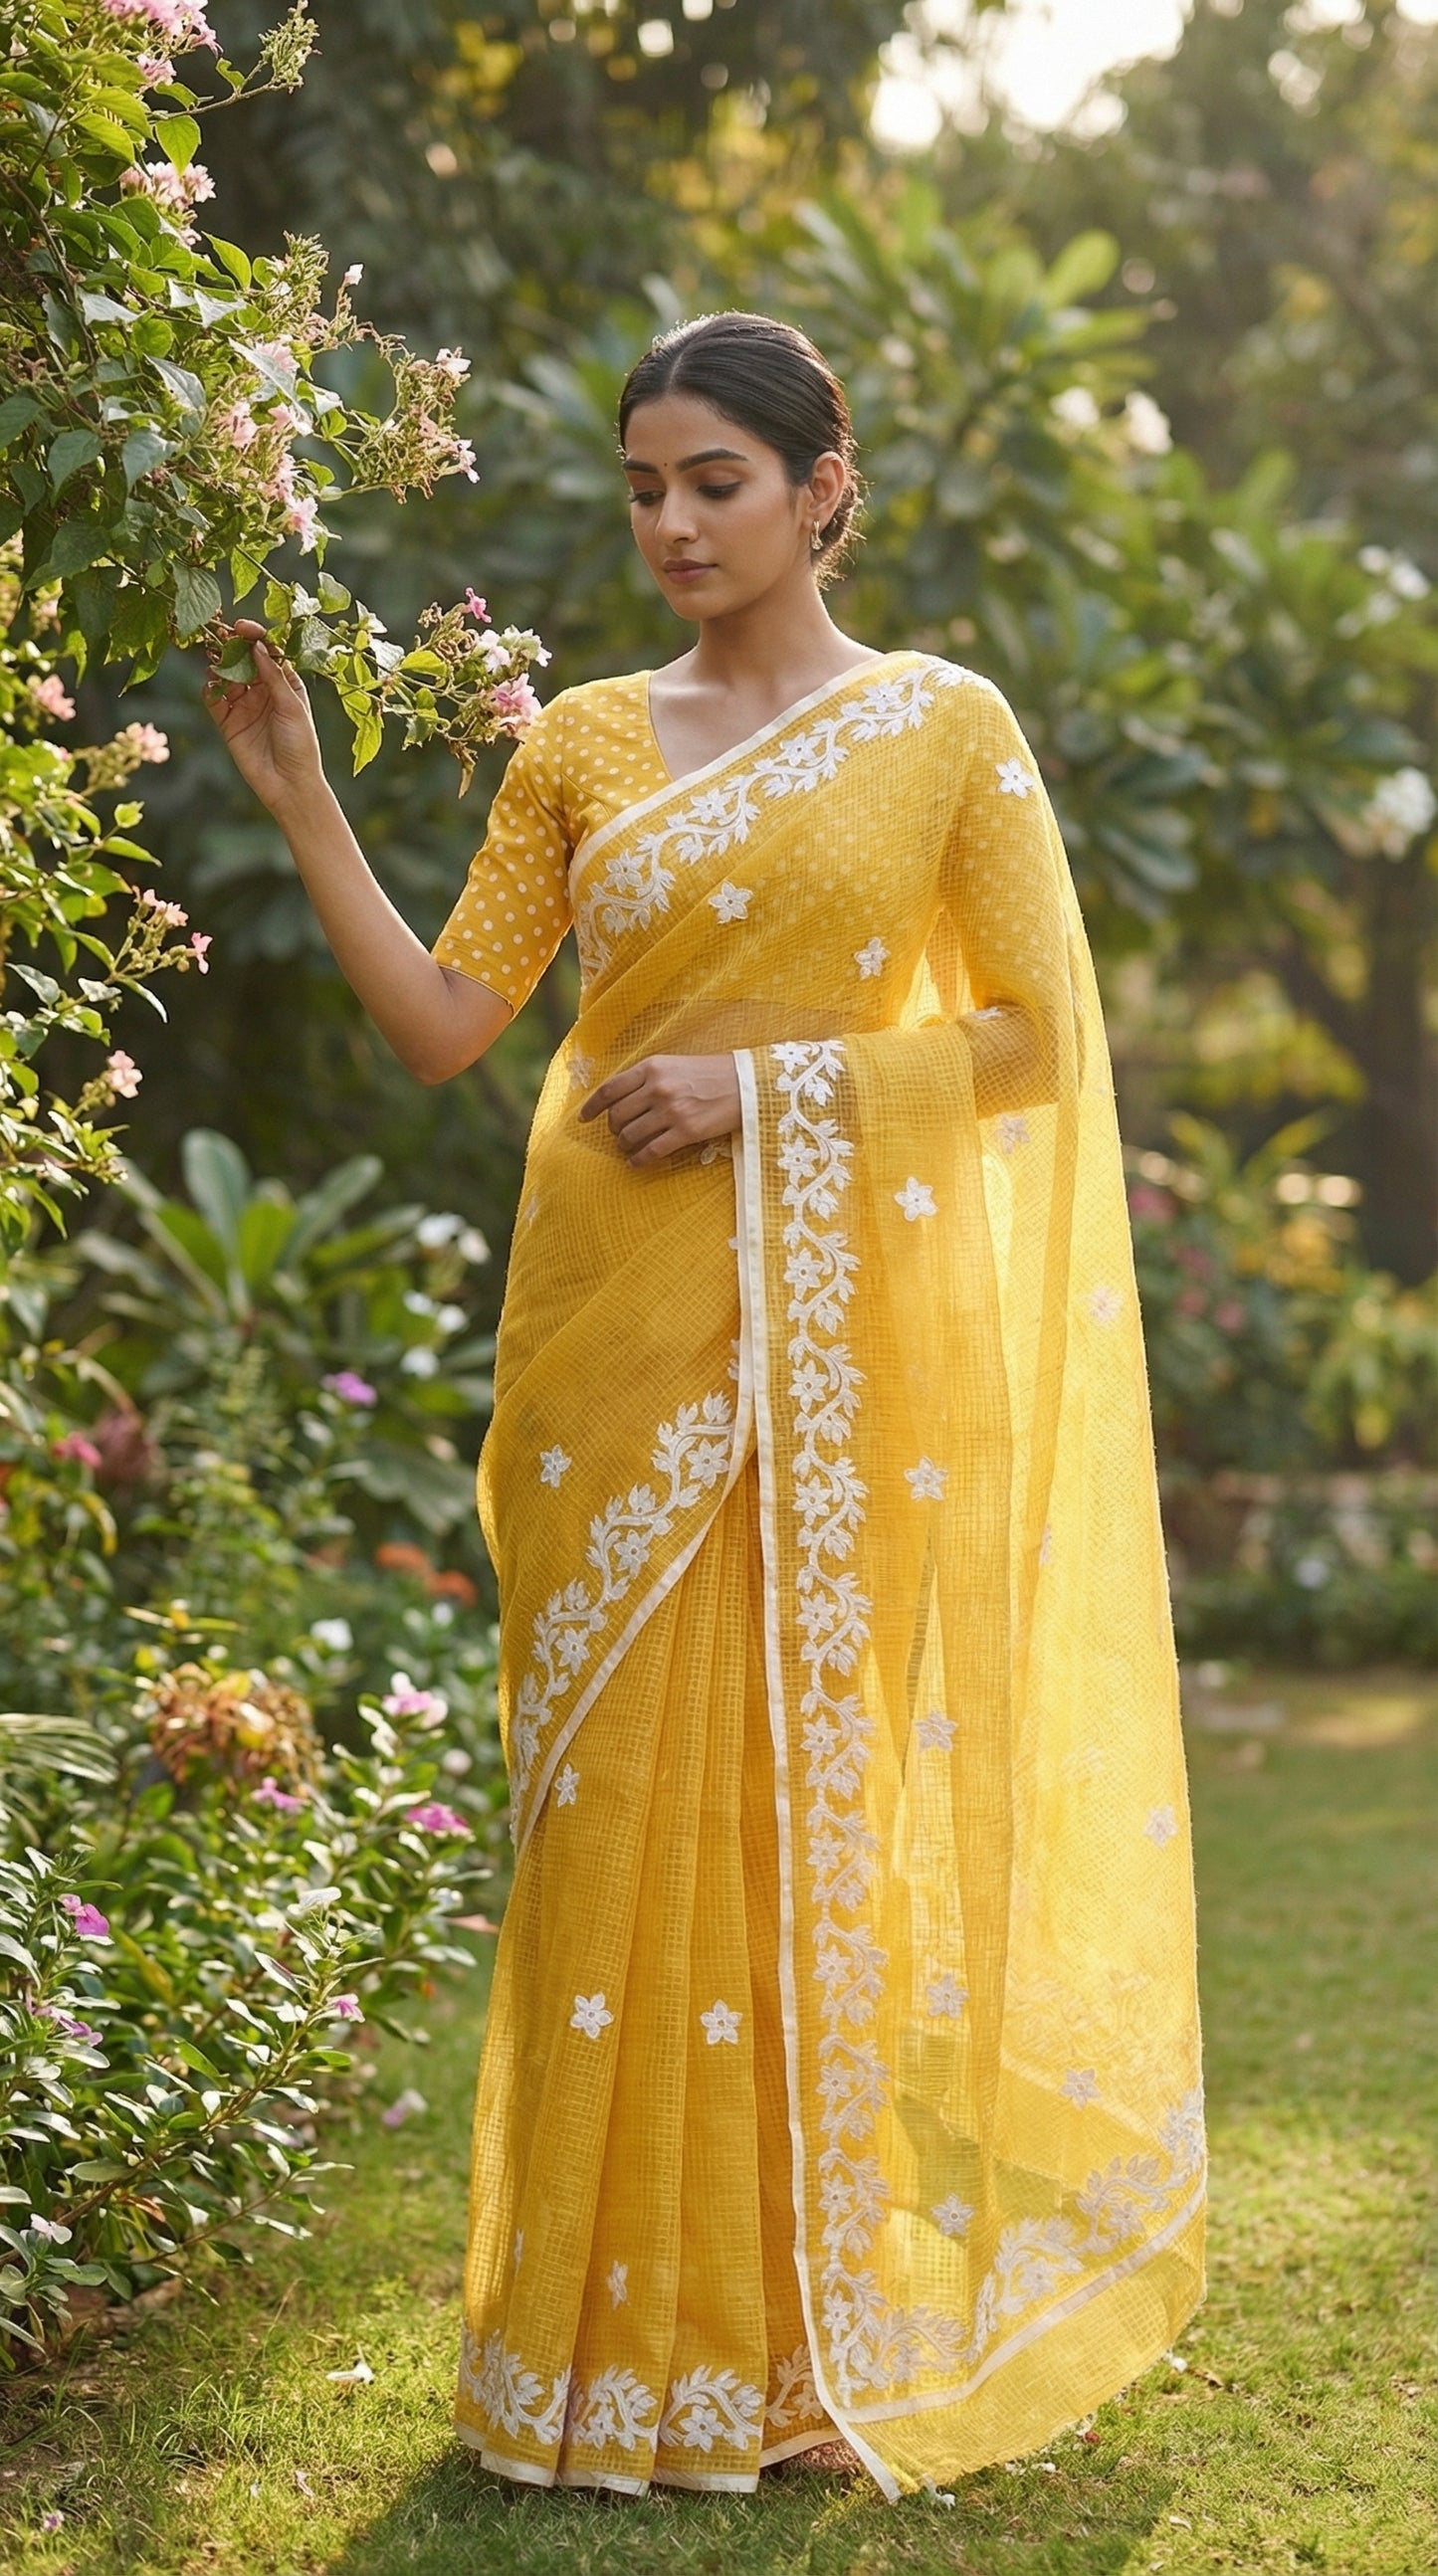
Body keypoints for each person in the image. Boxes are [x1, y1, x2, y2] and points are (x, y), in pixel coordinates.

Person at [206, 310, 1205, 2501]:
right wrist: (296, 787)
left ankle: (793, 2359)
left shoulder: (944, 732)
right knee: (609, 1823)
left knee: (807, 1820)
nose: (671, 520)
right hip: (611, 1341)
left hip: (848, 1360)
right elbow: (457, 1024)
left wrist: (772, 1087)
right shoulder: (578, 741)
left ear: (822, 482)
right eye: (646, 484)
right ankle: (591, 2353)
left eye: (715, 482)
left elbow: (1038, 1033)